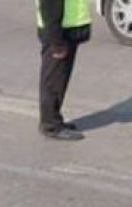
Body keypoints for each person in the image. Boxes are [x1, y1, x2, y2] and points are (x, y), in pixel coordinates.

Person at [38, 0, 92, 141]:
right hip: (58, 32)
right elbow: (49, 5)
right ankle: (50, 124)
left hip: (66, 29)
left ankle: (54, 119)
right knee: (53, 81)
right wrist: (55, 41)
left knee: (59, 80)